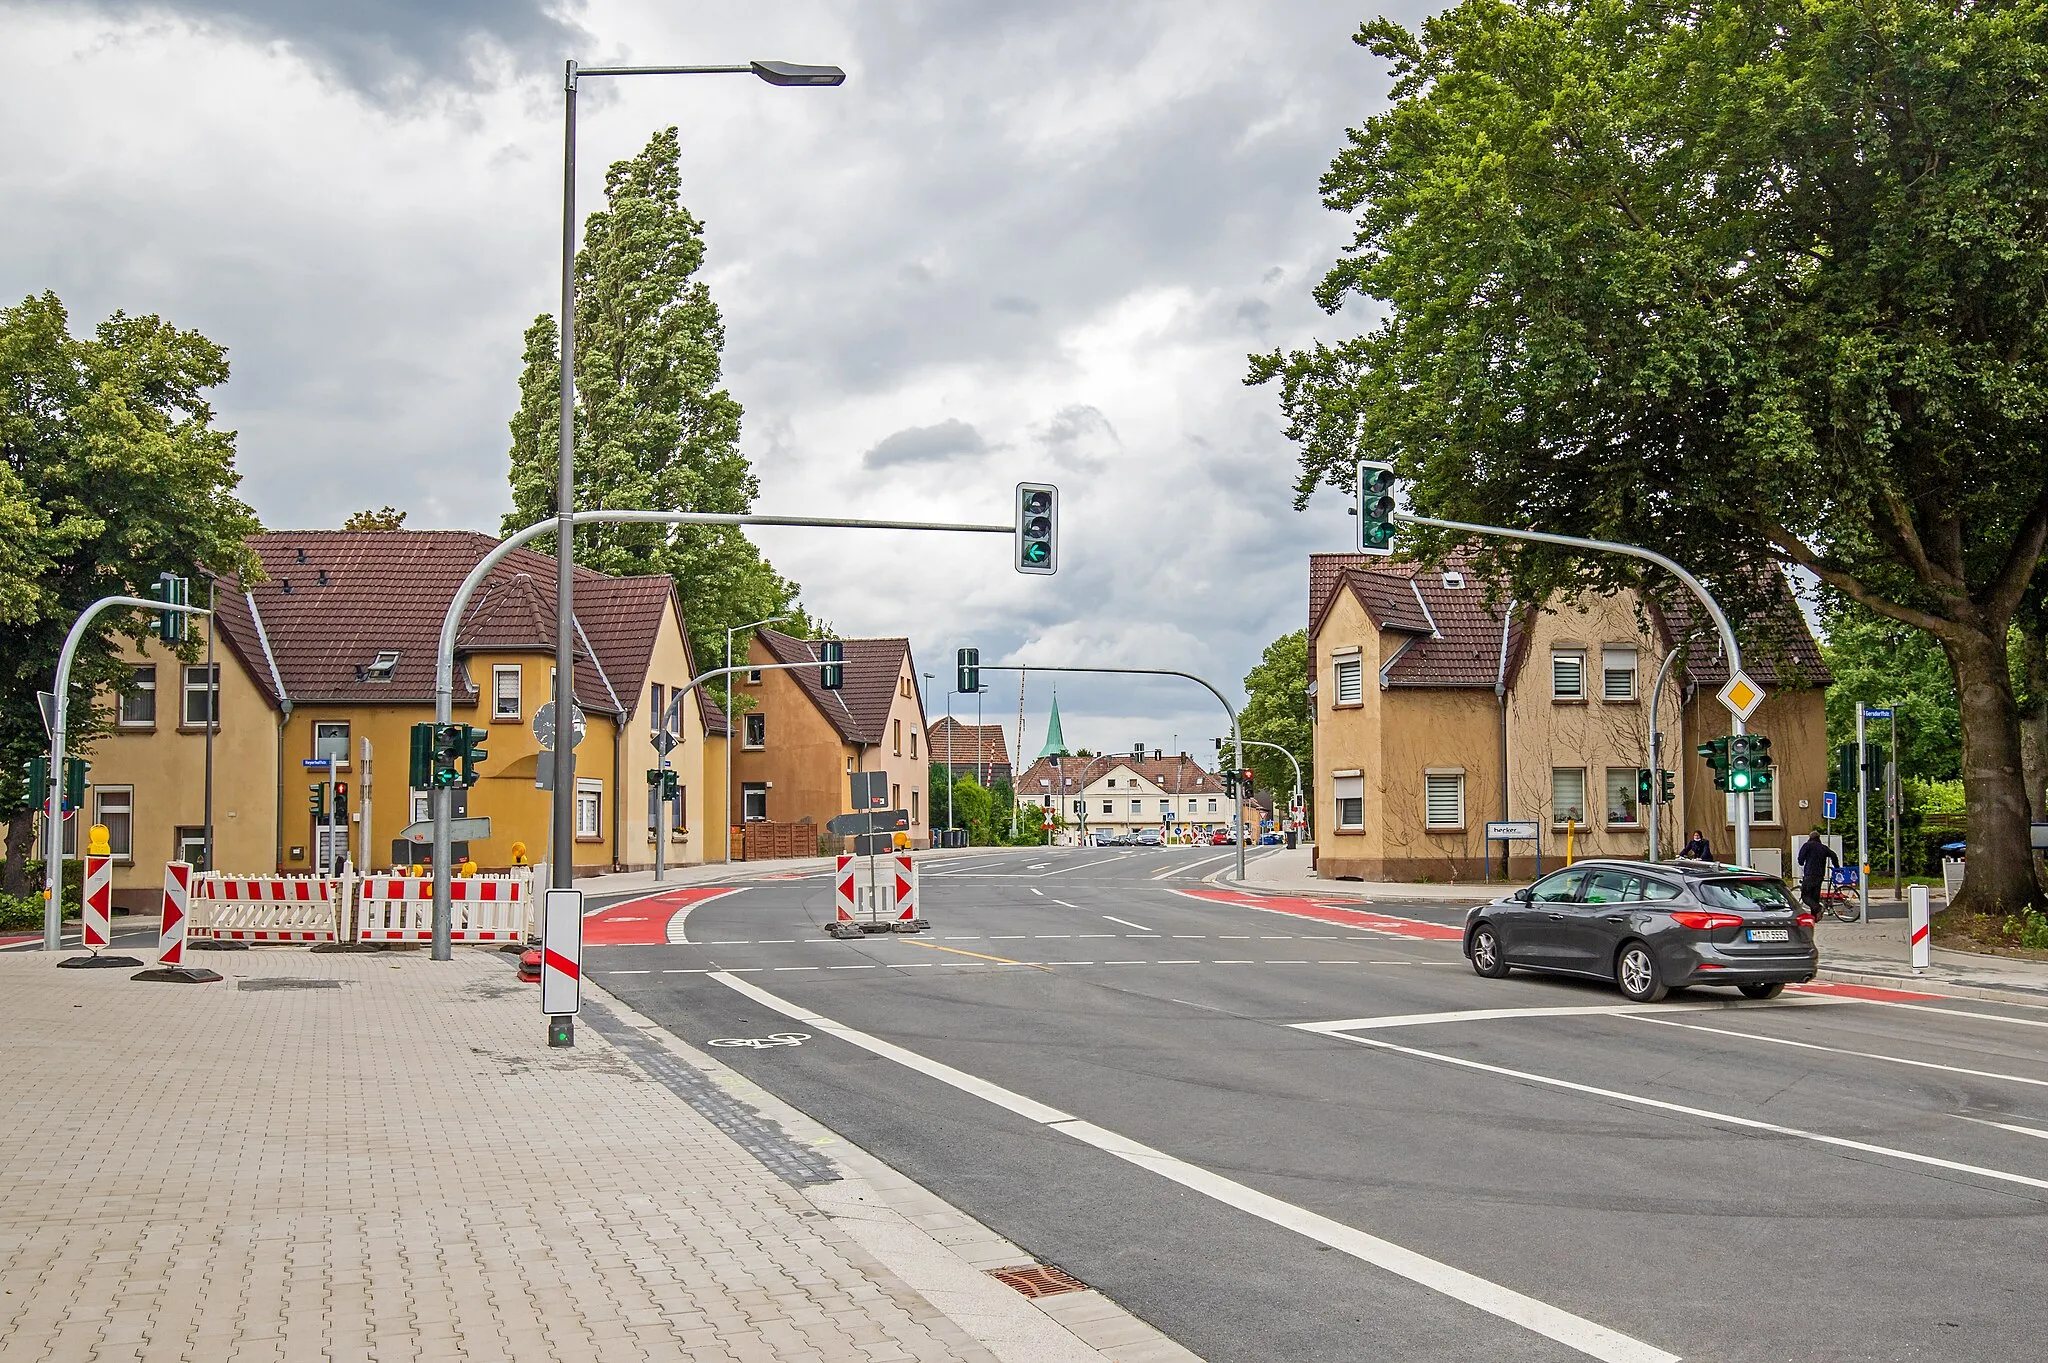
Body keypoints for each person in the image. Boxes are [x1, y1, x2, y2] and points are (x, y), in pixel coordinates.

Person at [1796, 830, 1841, 915]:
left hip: (1810, 874)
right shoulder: (1823, 847)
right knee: (1815, 897)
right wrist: (1837, 867)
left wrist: (1802, 862)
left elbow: (1801, 859)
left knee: (1805, 896)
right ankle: (1814, 917)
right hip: (1820, 875)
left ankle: (1818, 908)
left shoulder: (1807, 846)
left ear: (1810, 838)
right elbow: (1833, 855)